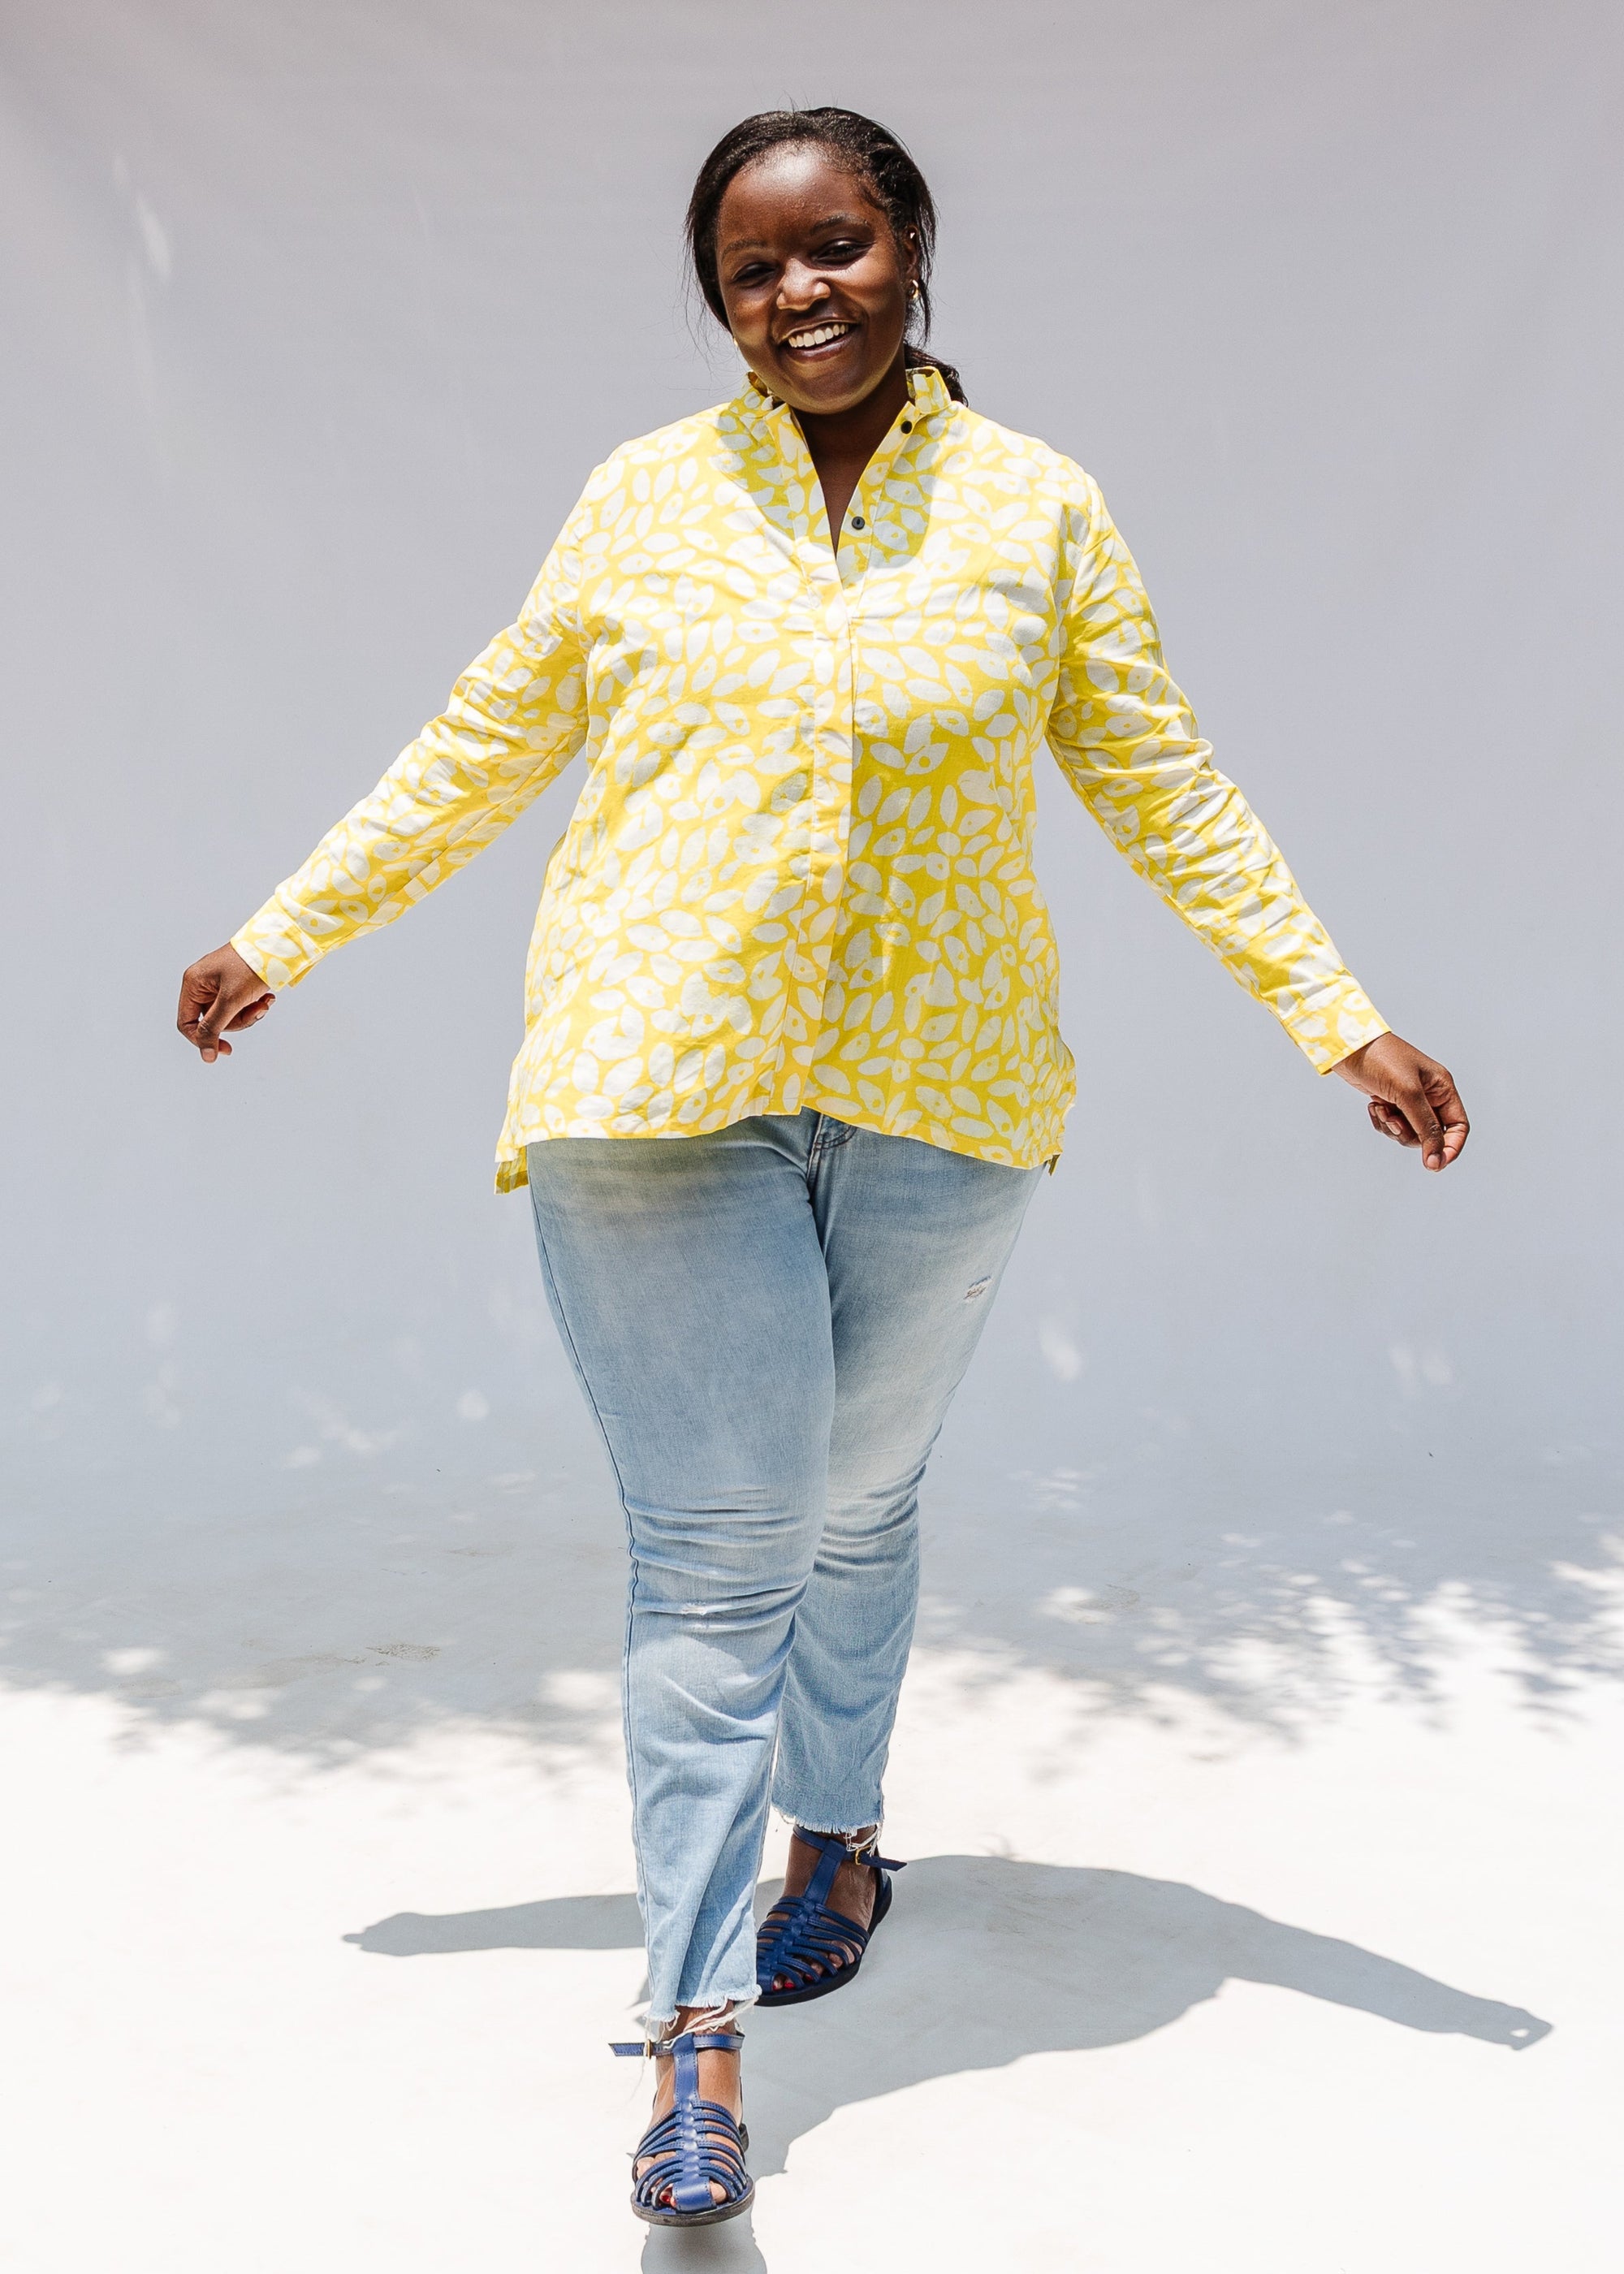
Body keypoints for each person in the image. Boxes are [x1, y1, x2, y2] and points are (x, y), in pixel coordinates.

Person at [176, 106, 1469, 2229]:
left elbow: (1162, 779)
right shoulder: (645, 499)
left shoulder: (1035, 508)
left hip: (946, 1095)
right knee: (720, 1551)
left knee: (857, 1499)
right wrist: (287, 930)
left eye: (839, 246)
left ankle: (841, 1833)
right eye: (756, 268)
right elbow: (488, 731)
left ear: (914, 245)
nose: (802, 293)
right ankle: (693, 2037)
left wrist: (1339, 1014)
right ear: (718, 299)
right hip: (651, 1077)